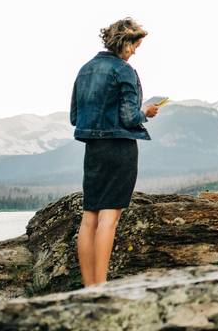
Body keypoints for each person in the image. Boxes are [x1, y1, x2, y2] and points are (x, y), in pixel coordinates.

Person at [70, 17, 158, 286]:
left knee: (90, 218)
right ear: (125, 43)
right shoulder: (124, 71)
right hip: (120, 149)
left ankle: (89, 288)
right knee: (109, 218)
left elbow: (75, 117)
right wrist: (148, 112)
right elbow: (130, 117)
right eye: (135, 46)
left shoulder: (85, 70)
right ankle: (103, 288)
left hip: (93, 150)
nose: (135, 51)